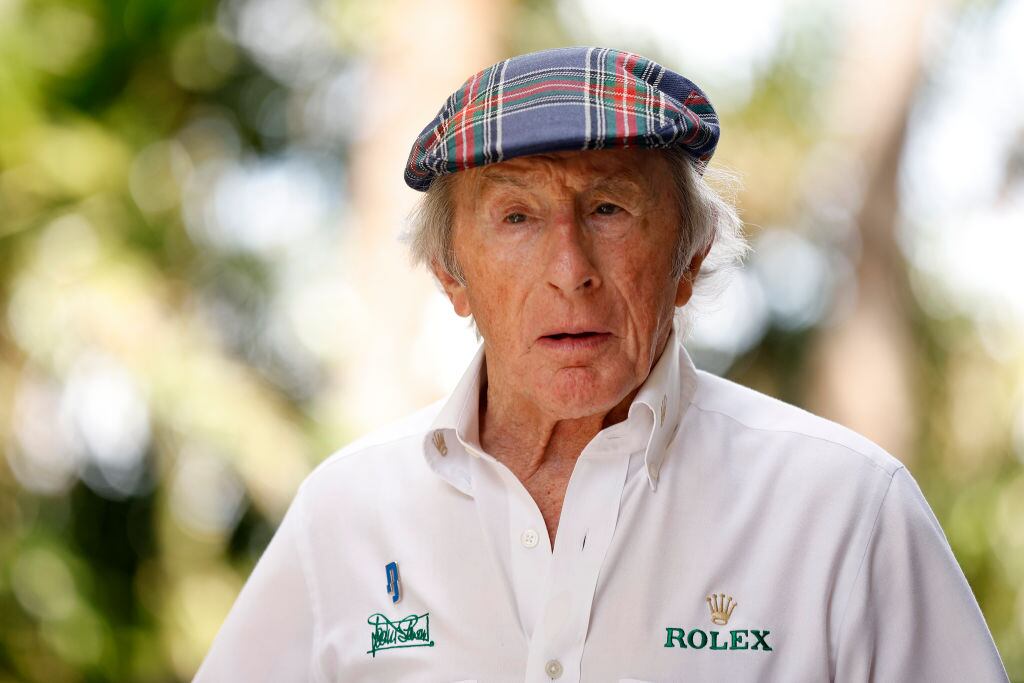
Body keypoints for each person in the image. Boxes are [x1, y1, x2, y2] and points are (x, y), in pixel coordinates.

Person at [194, 46, 1008, 682]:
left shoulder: (846, 510)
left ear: (690, 256)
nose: (570, 266)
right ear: (451, 274)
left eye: (610, 208)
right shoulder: (346, 514)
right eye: (516, 215)